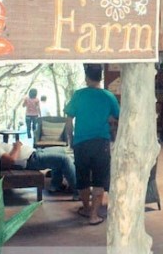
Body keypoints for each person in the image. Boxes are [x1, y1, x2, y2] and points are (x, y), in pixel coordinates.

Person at [64, 64, 120, 226]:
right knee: (99, 180)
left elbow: (69, 120)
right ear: (100, 77)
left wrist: (70, 139)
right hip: (101, 143)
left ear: (86, 77)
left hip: (81, 142)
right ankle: (94, 216)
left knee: (82, 178)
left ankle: (87, 209)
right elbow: (118, 116)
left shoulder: (78, 95)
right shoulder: (108, 96)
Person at [0, 141, 78, 197]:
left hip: (35, 152)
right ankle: (78, 192)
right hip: (31, 160)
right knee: (64, 159)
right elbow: (11, 160)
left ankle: (55, 185)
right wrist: (17, 146)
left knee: (61, 150)